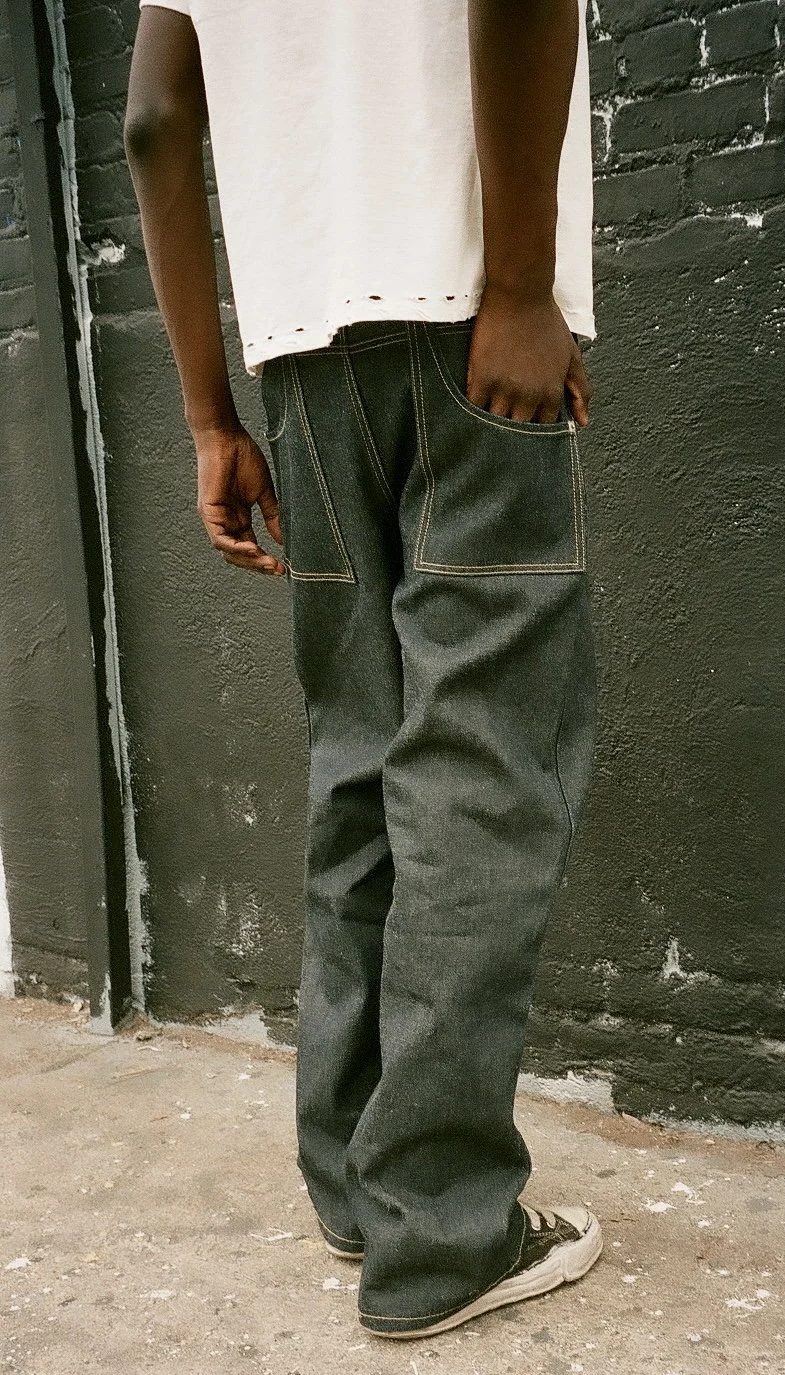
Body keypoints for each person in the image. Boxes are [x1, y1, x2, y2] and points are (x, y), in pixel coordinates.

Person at [125, 0, 601, 1340]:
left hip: (299, 369)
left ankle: (354, 1185)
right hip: (468, 319)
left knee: (359, 763)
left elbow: (153, 120)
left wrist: (209, 416)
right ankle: (440, 1234)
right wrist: (520, 290)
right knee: (479, 773)